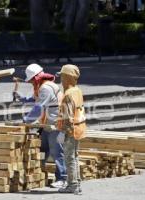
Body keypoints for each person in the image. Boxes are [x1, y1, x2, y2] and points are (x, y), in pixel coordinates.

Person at [13, 63, 67, 188]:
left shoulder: (46, 88)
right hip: (47, 123)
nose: (31, 82)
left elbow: (38, 107)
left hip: (56, 123)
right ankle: (38, 173)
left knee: (57, 151)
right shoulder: (42, 86)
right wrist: (22, 98)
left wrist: (27, 120)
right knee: (43, 148)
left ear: (36, 78)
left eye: (31, 80)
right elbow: (34, 98)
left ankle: (62, 178)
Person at [56, 64, 86, 194]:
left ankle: (72, 185)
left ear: (67, 78)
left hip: (70, 130)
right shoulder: (77, 90)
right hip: (79, 128)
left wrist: (63, 132)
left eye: (62, 76)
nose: (61, 80)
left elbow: (67, 117)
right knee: (74, 156)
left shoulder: (67, 94)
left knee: (69, 158)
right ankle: (76, 182)